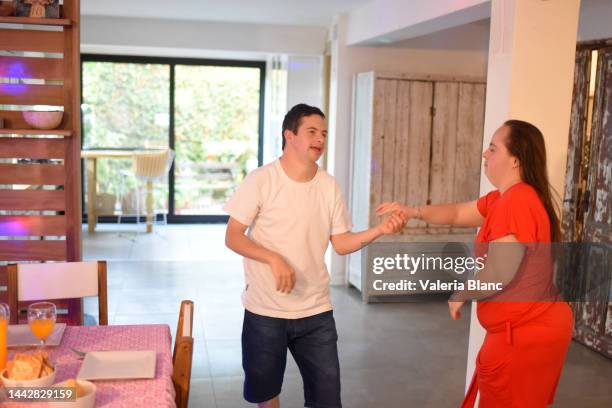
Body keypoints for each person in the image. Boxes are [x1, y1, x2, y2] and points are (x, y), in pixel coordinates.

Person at [377, 120, 573, 407]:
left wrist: (462, 293)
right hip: (531, 328)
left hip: (526, 336)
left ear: (515, 159)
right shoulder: (505, 198)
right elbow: (457, 213)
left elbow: (501, 271)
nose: (485, 154)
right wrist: (413, 211)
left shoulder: (516, 202)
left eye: (493, 149)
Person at [224, 103, 407, 408]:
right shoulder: (261, 179)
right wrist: (274, 258)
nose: (320, 138)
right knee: (266, 395)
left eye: (323, 133)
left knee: (327, 398)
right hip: (266, 310)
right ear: (289, 135)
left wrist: (380, 230)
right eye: (311, 131)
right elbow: (232, 236)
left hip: (315, 311)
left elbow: (342, 242)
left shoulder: (328, 185)